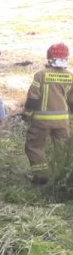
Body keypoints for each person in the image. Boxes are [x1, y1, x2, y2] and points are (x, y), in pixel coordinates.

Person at [23, 42, 73, 184]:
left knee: (34, 147)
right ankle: (62, 178)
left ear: (49, 56)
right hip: (63, 122)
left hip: (41, 121)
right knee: (63, 150)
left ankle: (41, 177)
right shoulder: (70, 77)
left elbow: (33, 97)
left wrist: (26, 115)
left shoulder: (41, 75)